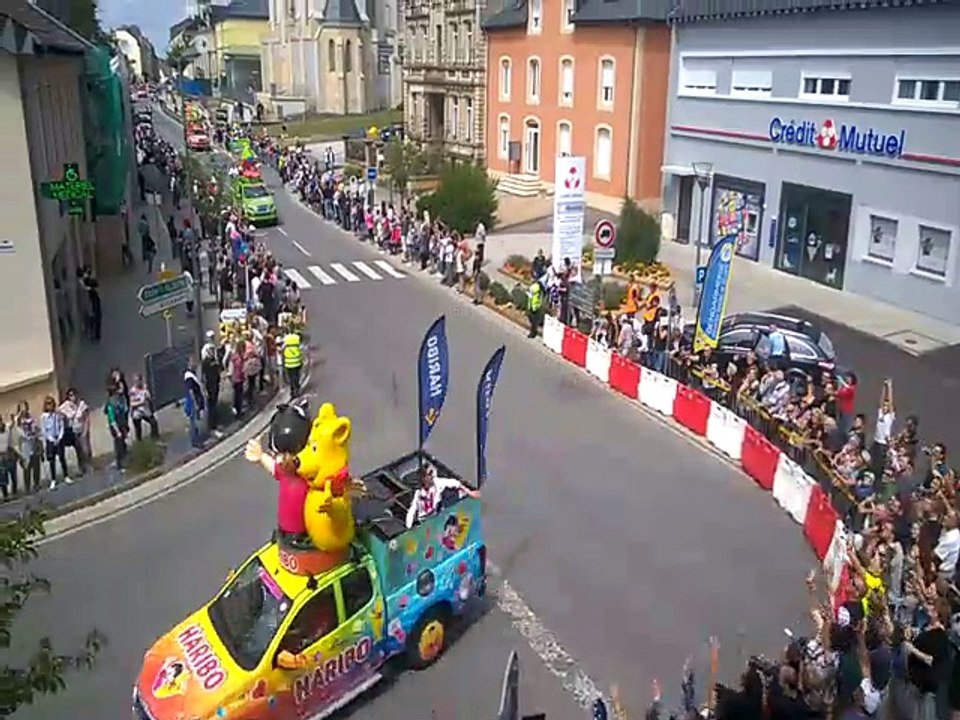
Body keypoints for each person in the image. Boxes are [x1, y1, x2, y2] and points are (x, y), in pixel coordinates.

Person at [405, 463, 480, 528]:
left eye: (431, 473)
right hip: (424, 521)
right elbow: (412, 509)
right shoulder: (418, 493)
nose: (432, 476)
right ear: (424, 478)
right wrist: (408, 526)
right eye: (429, 474)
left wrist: (470, 493)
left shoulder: (437, 482)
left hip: (435, 517)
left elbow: (455, 483)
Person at [282, 330, 303, 398]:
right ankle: (297, 390)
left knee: (291, 378)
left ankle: (292, 391)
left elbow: (282, 348)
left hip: (288, 362)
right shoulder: (297, 338)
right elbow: (300, 347)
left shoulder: (285, 338)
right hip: (297, 361)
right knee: (296, 376)